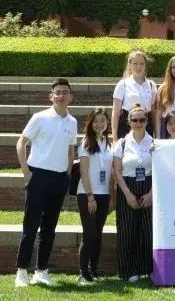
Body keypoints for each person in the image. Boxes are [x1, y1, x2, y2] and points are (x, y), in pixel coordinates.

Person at [14, 78, 78, 288]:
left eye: (65, 92)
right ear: (51, 96)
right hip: (38, 176)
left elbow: (70, 151)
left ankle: (41, 271)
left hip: (59, 179)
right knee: (31, 225)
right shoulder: (39, 117)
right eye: (57, 92)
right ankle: (21, 271)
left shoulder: (72, 122)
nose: (61, 96)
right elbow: (21, 143)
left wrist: (67, 174)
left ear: (70, 96)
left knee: (49, 228)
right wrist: (26, 172)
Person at [112, 104, 153, 283]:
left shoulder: (154, 143)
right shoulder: (121, 144)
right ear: (129, 121)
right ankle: (128, 270)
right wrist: (127, 194)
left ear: (147, 121)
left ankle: (147, 269)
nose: (138, 123)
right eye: (134, 120)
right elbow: (117, 172)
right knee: (127, 230)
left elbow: (159, 170)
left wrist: (151, 194)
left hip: (148, 186)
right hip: (127, 186)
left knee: (148, 230)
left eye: (141, 120)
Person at [75, 108, 113, 285]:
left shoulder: (109, 143)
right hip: (87, 194)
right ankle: (83, 273)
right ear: (90, 123)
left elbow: (111, 173)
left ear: (107, 123)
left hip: (104, 194)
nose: (99, 124)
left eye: (103, 121)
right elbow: (83, 171)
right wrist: (90, 197)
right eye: (96, 121)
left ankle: (93, 270)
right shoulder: (86, 143)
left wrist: (111, 196)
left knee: (98, 234)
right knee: (89, 234)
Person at [112, 49, 157, 143]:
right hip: (126, 126)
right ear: (130, 64)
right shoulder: (123, 84)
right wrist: (114, 137)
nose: (138, 66)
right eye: (135, 63)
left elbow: (153, 112)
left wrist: (156, 133)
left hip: (146, 125)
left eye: (141, 63)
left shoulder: (151, 85)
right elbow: (115, 113)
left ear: (145, 65)